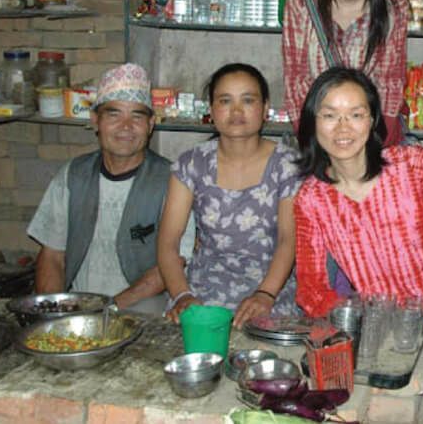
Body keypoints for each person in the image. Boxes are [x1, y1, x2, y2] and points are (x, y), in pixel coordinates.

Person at [292, 67, 423, 419]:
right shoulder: (311, 199)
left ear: (372, 120)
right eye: (329, 116)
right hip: (389, 324)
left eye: (355, 115)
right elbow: (311, 290)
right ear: (312, 123)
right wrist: (354, 320)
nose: (343, 128)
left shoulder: (412, 166)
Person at [28, 63, 192, 312]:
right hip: (78, 305)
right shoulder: (73, 175)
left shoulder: (173, 181)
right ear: (95, 121)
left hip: (144, 306)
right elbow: (52, 256)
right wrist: (56, 311)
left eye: (137, 116)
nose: (126, 127)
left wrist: (109, 308)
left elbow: (172, 265)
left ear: (150, 124)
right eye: (114, 115)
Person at [157, 63, 303, 328]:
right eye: (225, 101)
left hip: (272, 286)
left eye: (248, 100)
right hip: (204, 288)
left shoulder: (288, 165)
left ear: (265, 108)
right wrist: (182, 295)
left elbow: (287, 240)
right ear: (211, 110)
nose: (236, 111)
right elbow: (168, 243)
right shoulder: (192, 164)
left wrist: (265, 295)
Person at [281, 0, 410, 147]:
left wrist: (375, 150)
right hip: (319, 136)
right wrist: (317, 146)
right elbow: (296, 81)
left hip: (374, 136)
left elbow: (391, 83)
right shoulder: (300, 2)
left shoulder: (394, 7)